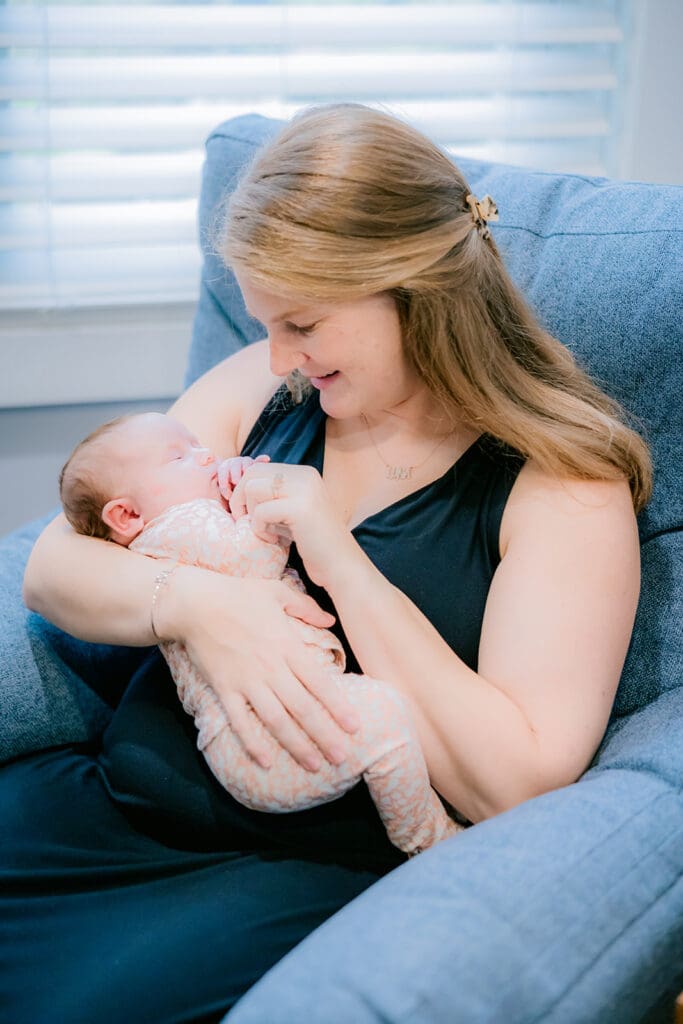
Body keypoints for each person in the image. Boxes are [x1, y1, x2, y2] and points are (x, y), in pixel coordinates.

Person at [6, 102, 650, 1023]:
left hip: (281, 875)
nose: (277, 356)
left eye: (300, 322)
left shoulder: (561, 485)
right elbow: (55, 566)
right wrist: (198, 607)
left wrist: (336, 556)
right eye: (265, 322)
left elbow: (513, 780)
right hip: (100, 811)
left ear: (412, 286)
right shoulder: (273, 390)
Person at [58, 410, 461, 855]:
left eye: (197, 444)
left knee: (382, 722)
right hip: (259, 745)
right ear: (127, 514)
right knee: (386, 716)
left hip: (273, 732)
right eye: (179, 457)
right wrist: (257, 495)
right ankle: (426, 839)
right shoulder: (173, 530)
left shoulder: (181, 529)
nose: (208, 456)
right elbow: (254, 555)